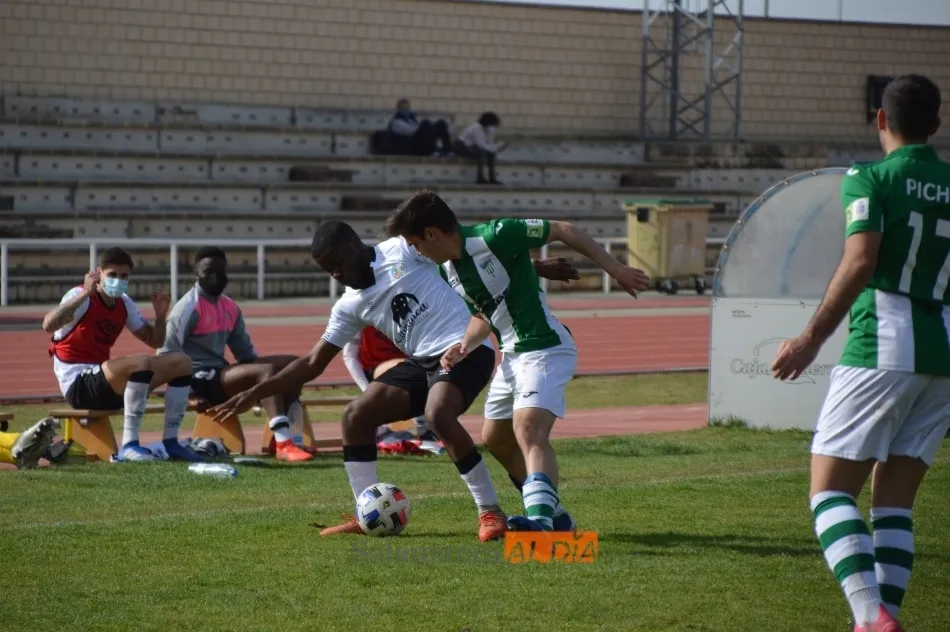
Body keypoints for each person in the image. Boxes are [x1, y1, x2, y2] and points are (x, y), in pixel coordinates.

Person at [208, 221, 577, 541]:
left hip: (465, 350)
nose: (335, 274)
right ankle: (366, 512)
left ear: (354, 245)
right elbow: (311, 363)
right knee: (356, 415)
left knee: (438, 415)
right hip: (421, 363)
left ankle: (490, 511)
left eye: (337, 264)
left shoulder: (401, 248)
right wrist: (255, 392)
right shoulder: (349, 304)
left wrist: (535, 266)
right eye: (327, 270)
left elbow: (461, 254)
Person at [770, 74, 949, 632]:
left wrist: (809, 339)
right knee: (893, 503)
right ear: (937, 126)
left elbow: (860, 260)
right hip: (942, 352)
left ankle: (870, 617)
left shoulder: (868, 177)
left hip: (883, 343)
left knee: (828, 491)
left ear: (880, 119)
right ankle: (882, 617)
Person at [386, 190, 650, 532]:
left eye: (415, 243)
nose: (416, 251)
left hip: (545, 348)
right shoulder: (447, 271)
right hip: (512, 357)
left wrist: (616, 269)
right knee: (495, 438)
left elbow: (564, 229)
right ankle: (557, 518)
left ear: (432, 234)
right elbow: (486, 312)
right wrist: (464, 344)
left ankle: (539, 521)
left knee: (528, 429)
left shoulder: (495, 234)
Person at [158, 247, 313, 463]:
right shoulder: (186, 308)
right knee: (267, 371)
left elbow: (245, 355)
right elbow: (166, 354)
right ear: (196, 273)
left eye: (221, 270)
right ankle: (283, 442)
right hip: (199, 379)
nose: (217, 276)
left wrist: (260, 379)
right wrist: (190, 394)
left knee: (294, 366)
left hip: (220, 373)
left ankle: (279, 438)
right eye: (209, 271)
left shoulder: (230, 307)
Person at [43, 247, 195, 462]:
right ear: (99, 273)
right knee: (141, 361)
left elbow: (155, 341)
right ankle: (129, 446)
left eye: (124, 276)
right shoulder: (81, 296)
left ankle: (171, 442)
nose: (118, 280)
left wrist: (161, 317)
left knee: (182, 362)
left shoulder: (124, 303)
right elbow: (48, 325)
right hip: (78, 385)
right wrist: (87, 292)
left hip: (106, 383)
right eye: (112, 274)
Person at [384, 98, 454, 157]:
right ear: (398, 109)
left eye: (407, 108)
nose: (406, 110)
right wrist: (427, 127)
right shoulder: (396, 122)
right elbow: (412, 131)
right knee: (426, 124)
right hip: (409, 148)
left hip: (417, 143)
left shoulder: (412, 120)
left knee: (440, 124)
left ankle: (447, 149)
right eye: (403, 108)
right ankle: (433, 150)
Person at [453, 112, 507, 185]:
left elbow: (489, 144)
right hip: (462, 146)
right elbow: (481, 145)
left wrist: (497, 147)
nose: (493, 127)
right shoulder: (477, 128)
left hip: (473, 147)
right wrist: (495, 148)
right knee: (481, 152)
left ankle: (492, 178)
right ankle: (480, 177)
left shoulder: (488, 130)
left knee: (491, 154)